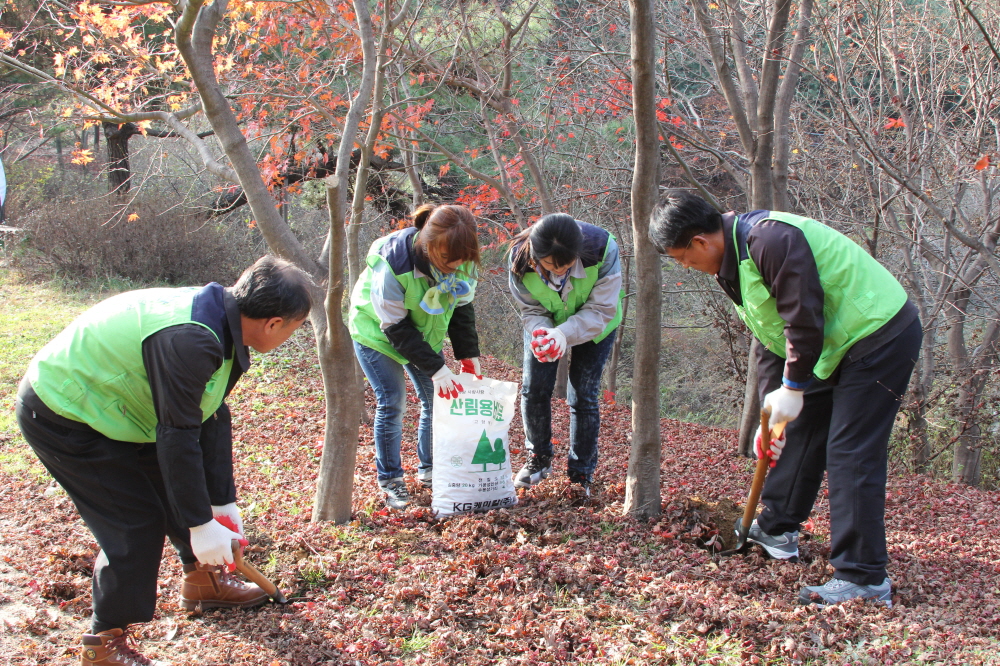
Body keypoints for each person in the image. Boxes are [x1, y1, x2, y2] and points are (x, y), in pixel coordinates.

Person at [15, 256, 313, 665]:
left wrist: (220, 506)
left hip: (127, 411)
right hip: (67, 411)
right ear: (274, 323)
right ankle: (104, 643)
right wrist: (199, 523)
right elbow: (177, 436)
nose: (292, 337)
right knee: (134, 522)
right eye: (296, 329)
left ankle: (203, 583)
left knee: (180, 492)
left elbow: (209, 416)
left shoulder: (224, 323)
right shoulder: (191, 339)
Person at [649, 190, 921, 607]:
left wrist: (793, 388)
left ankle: (864, 577)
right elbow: (769, 340)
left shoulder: (768, 241)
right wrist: (770, 413)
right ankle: (776, 528)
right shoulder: (730, 262)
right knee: (802, 428)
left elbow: (803, 319)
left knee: (850, 451)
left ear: (700, 242)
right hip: (829, 347)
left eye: (682, 259)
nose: (686, 267)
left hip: (877, 335)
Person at [349, 204, 482, 510]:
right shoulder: (393, 262)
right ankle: (391, 479)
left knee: (437, 399)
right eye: (448, 260)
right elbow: (396, 327)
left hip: (423, 332)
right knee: (392, 401)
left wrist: (468, 354)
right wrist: (437, 369)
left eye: (462, 259)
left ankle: (431, 469)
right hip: (378, 331)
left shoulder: (463, 257)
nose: (456, 266)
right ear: (429, 245)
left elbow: (462, 307)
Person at [508, 214, 623, 496]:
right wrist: (545, 334)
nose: (558, 273)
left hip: (595, 324)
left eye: (567, 266)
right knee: (534, 388)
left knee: (582, 394)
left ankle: (581, 473)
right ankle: (539, 460)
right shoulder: (518, 259)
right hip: (543, 324)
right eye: (549, 266)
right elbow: (531, 309)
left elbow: (601, 309)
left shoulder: (603, 249)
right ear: (535, 256)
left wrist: (565, 333)